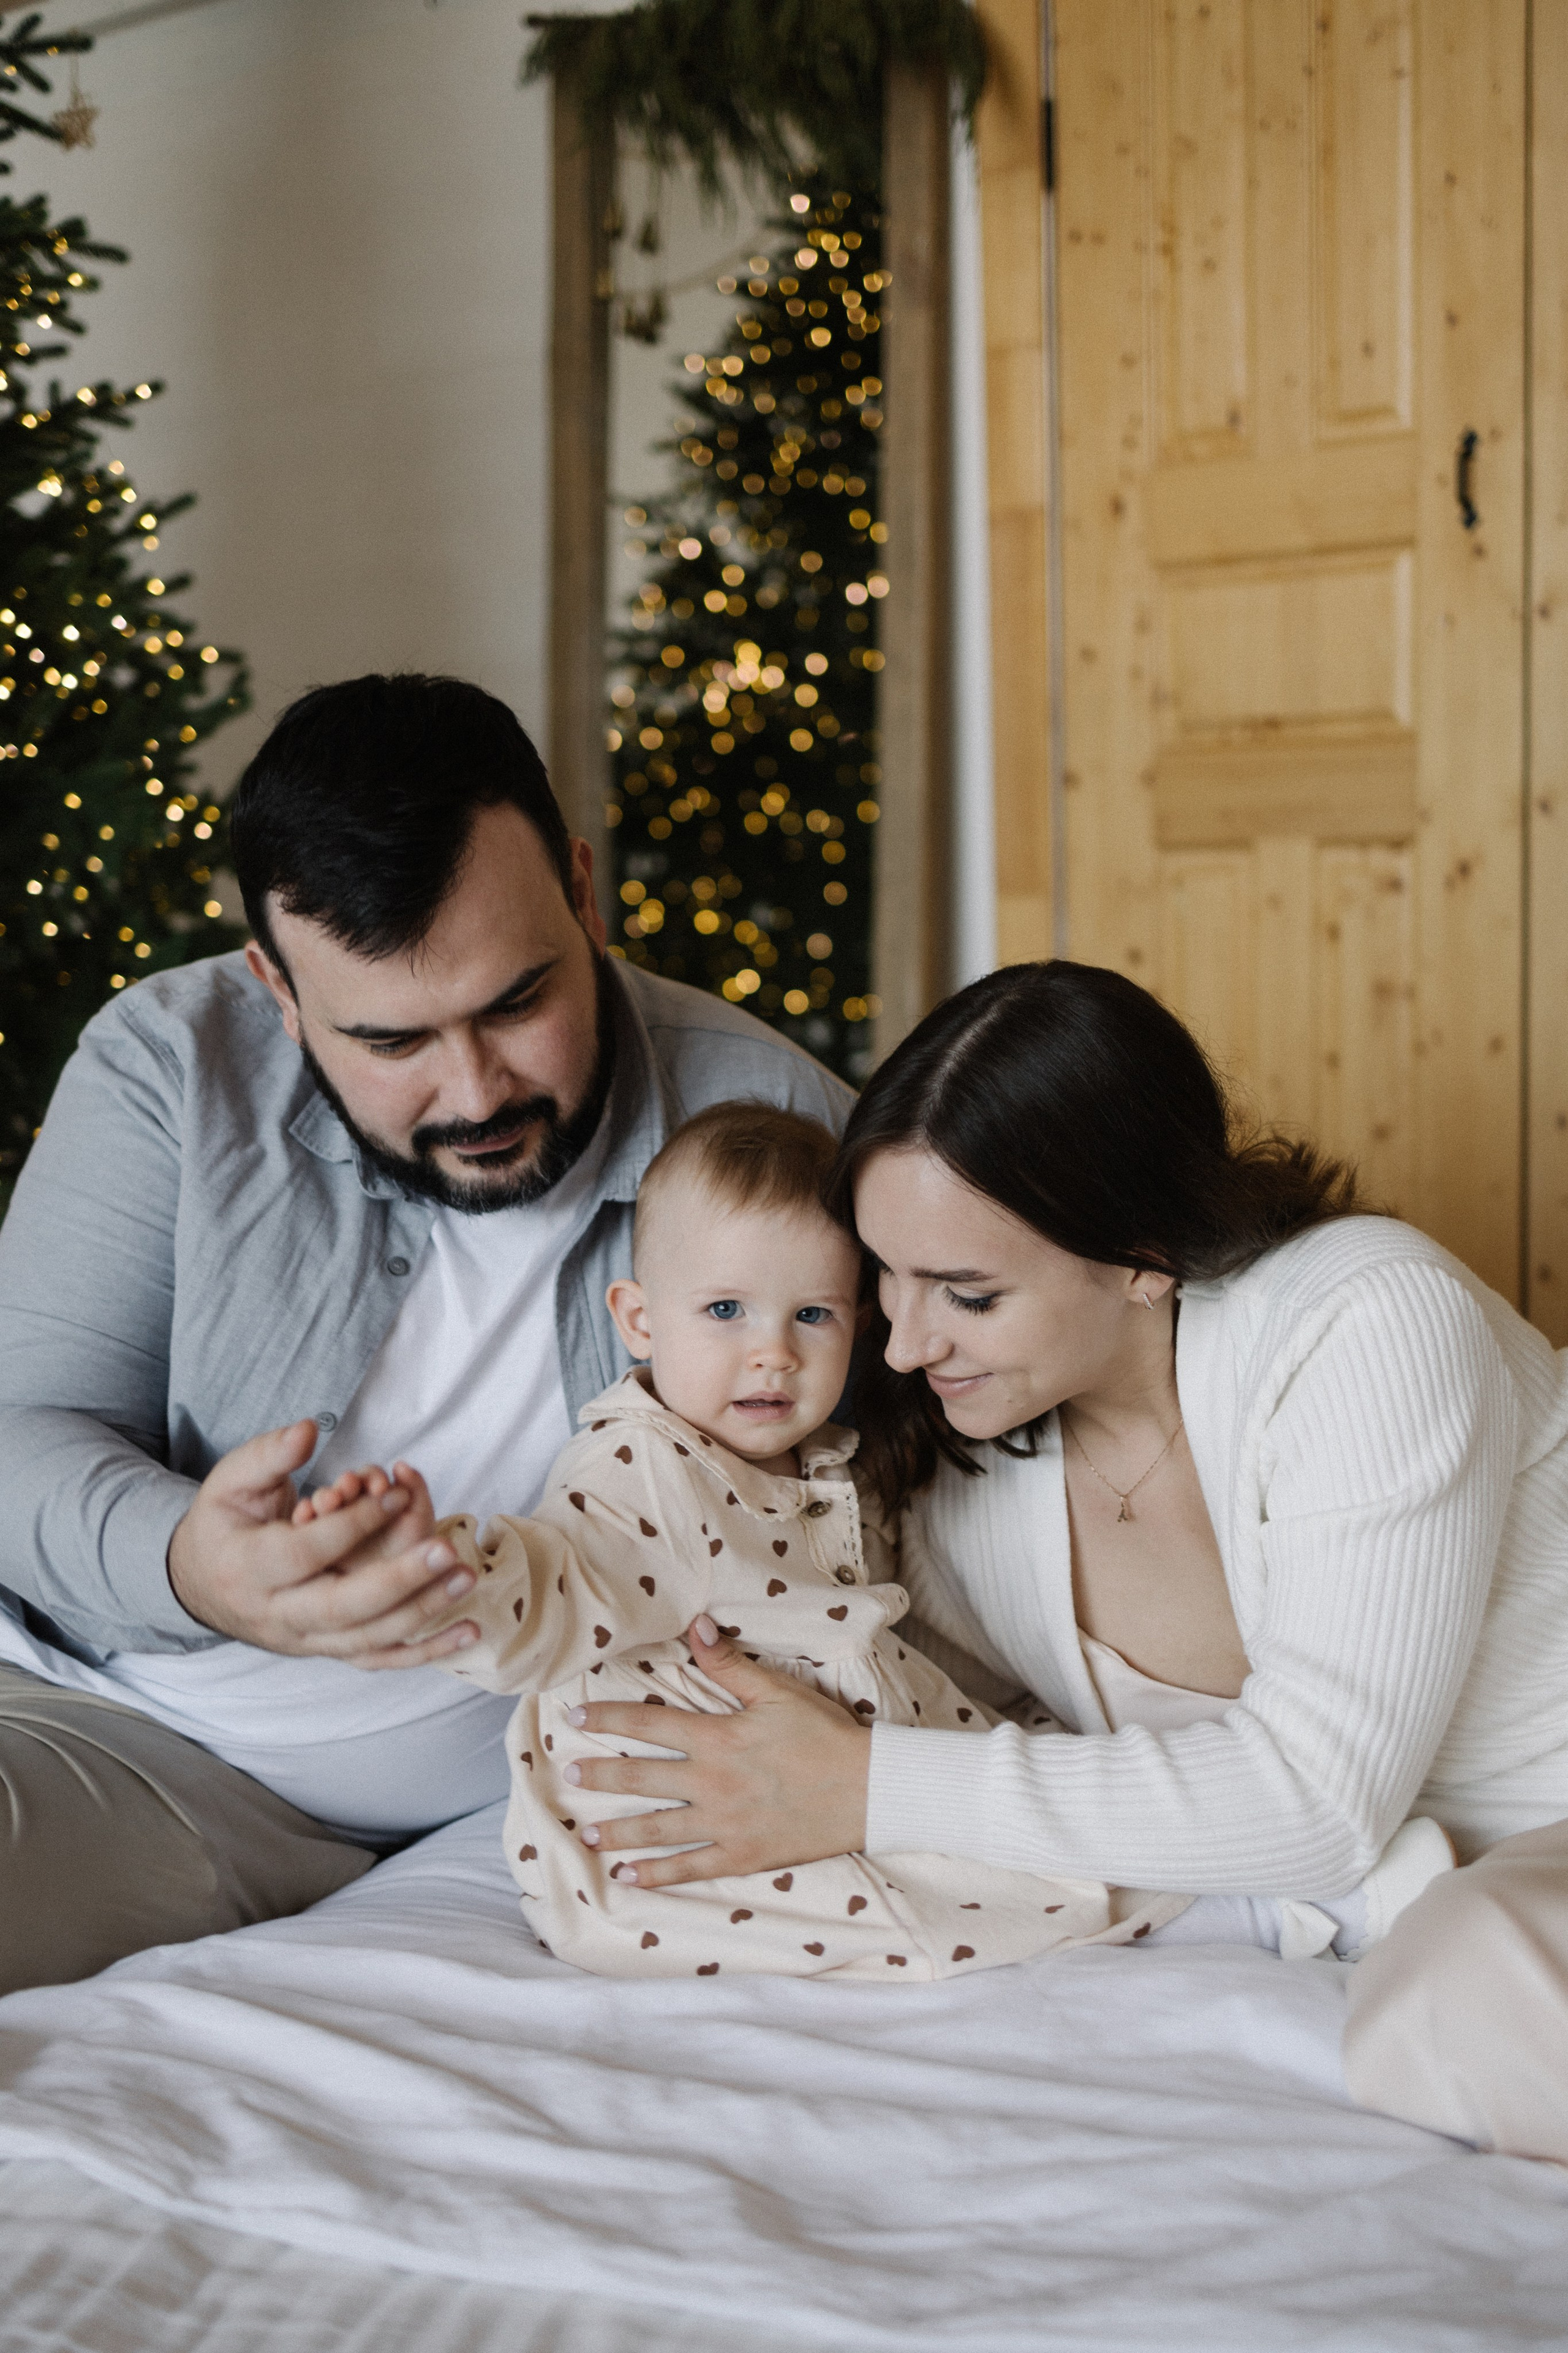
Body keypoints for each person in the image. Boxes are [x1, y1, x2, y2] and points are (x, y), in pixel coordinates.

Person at [537, 961, 1568, 2161]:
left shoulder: (1367, 1319)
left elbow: (1318, 1806)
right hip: (1412, 1890)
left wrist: (862, 1782)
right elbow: (905, 1696)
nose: (903, 1343)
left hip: (1524, 1835)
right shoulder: (965, 1476)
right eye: (883, 1276)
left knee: (1463, 1998)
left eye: (966, 1294)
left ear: (1143, 1252)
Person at [0, 673, 850, 1995]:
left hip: (548, 1794)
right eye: (391, 1041)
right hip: (139, 1733)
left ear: (583, 893)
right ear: (279, 990)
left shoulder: (770, 1118)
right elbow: (20, 1435)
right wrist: (194, 1565)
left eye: (516, 1002)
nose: (474, 1091)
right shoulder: (172, 1065)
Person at [299, 1101, 1183, 1978]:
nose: (774, 1353)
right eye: (726, 1308)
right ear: (640, 1320)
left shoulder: (817, 1459)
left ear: (858, 1324)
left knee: (1047, 1797)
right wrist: (436, 1571)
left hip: (811, 1779)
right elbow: (552, 1589)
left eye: (813, 1316)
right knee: (1061, 1889)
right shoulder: (645, 1468)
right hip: (690, 1850)